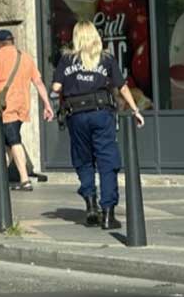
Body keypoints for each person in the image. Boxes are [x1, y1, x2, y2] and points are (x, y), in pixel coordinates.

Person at [52, 21, 145, 230]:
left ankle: (91, 205)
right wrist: (135, 110)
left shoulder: (67, 59)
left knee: (83, 160)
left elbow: (56, 86)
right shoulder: (106, 59)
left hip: (76, 114)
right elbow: (122, 86)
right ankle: (108, 214)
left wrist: (56, 101)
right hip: (101, 113)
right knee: (107, 161)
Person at [0, 30, 55, 192]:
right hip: (22, 106)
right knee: (6, 141)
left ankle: (24, 179)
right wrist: (47, 104)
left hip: (5, 107)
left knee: (13, 140)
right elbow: (39, 83)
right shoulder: (25, 57)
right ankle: (6, 173)